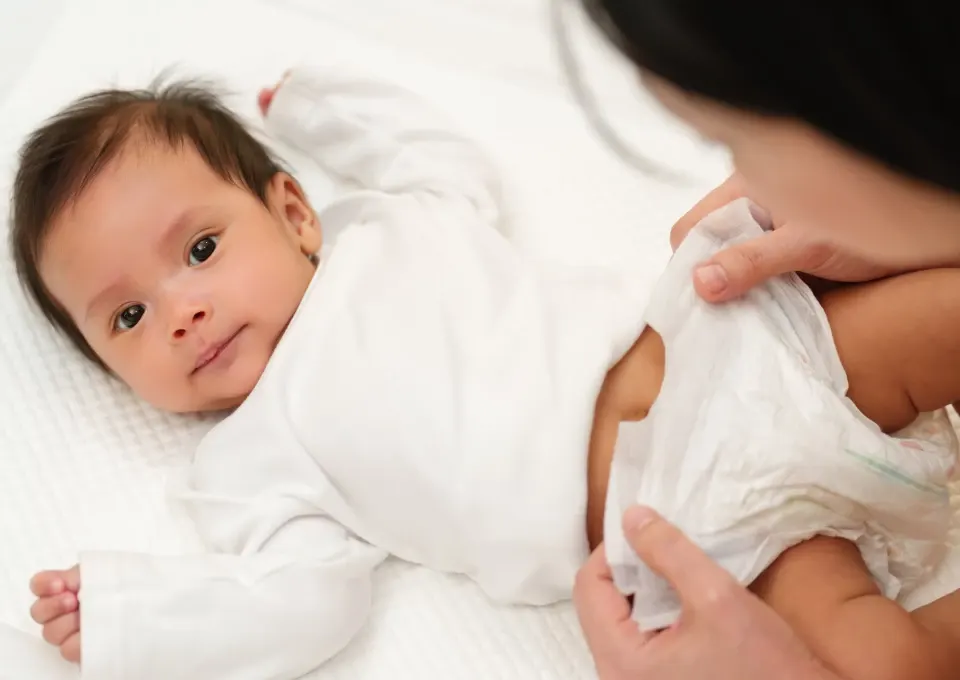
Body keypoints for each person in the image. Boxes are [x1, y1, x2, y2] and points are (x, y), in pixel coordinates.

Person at [13, 59, 959, 680]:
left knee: (936, 315)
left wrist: (320, 108)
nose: (185, 313)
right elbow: (304, 601)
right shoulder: (249, 462)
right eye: (128, 316)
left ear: (295, 213)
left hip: (733, 349)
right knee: (875, 668)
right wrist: (142, 614)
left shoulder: (384, 227)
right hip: (690, 525)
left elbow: (446, 164)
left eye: (203, 248)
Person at [572, 2, 960, 678]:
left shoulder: (396, 239)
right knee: (884, 663)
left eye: (740, 140)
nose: (730, 194)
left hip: (758, 361)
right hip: (706, 523)